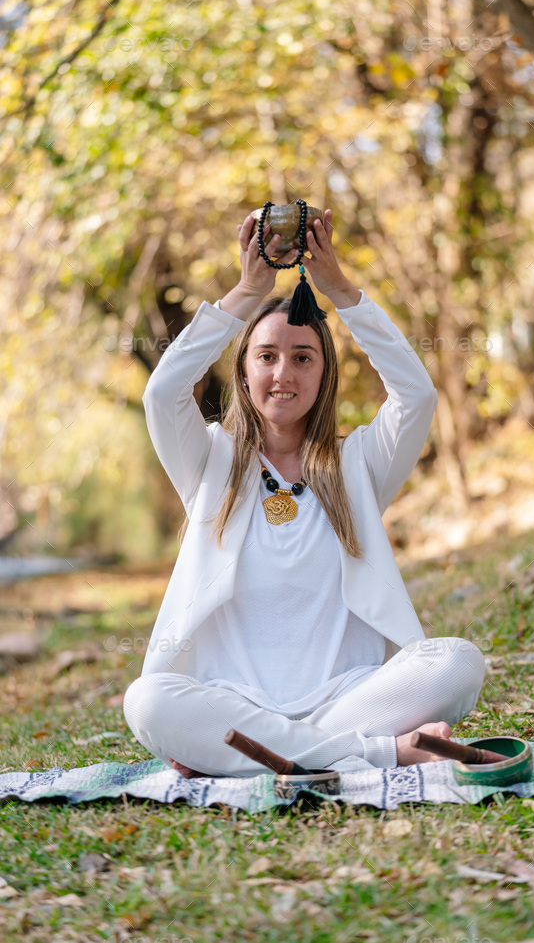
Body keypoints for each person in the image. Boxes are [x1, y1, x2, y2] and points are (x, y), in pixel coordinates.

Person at [123, 210, 486, 778]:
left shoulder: (358, 464)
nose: (282, 373)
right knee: (146, 699)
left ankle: (248, 758)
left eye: (302, 357)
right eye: (265, 356)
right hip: (234, 701)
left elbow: (415, 396)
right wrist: (246, 292)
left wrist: (341, 290)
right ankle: (377, 755)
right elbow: (163, 391)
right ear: (243, 373)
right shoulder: (209, 460)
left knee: (458, 661)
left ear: (323, 375)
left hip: (353, 699)